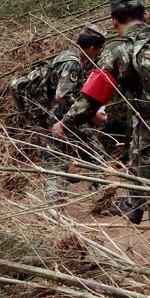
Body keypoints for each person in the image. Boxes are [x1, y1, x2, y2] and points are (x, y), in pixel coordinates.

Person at [51, 0, 150, 279]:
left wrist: (65, 123)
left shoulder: (117, 51)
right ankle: (134, 206)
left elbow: (90, 102)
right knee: (136, 154)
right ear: (145, 17)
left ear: (113, 23)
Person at [43, 25, 108, 205]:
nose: (98, 54)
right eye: (99, 49)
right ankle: (99, 202)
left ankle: (55, 212)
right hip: (64, 120)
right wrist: (92, 113)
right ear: (93, 48)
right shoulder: (72, 63)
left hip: (55, 118)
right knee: (93, 156)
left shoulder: (63, 57)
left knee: (58, 164)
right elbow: (63, 95)